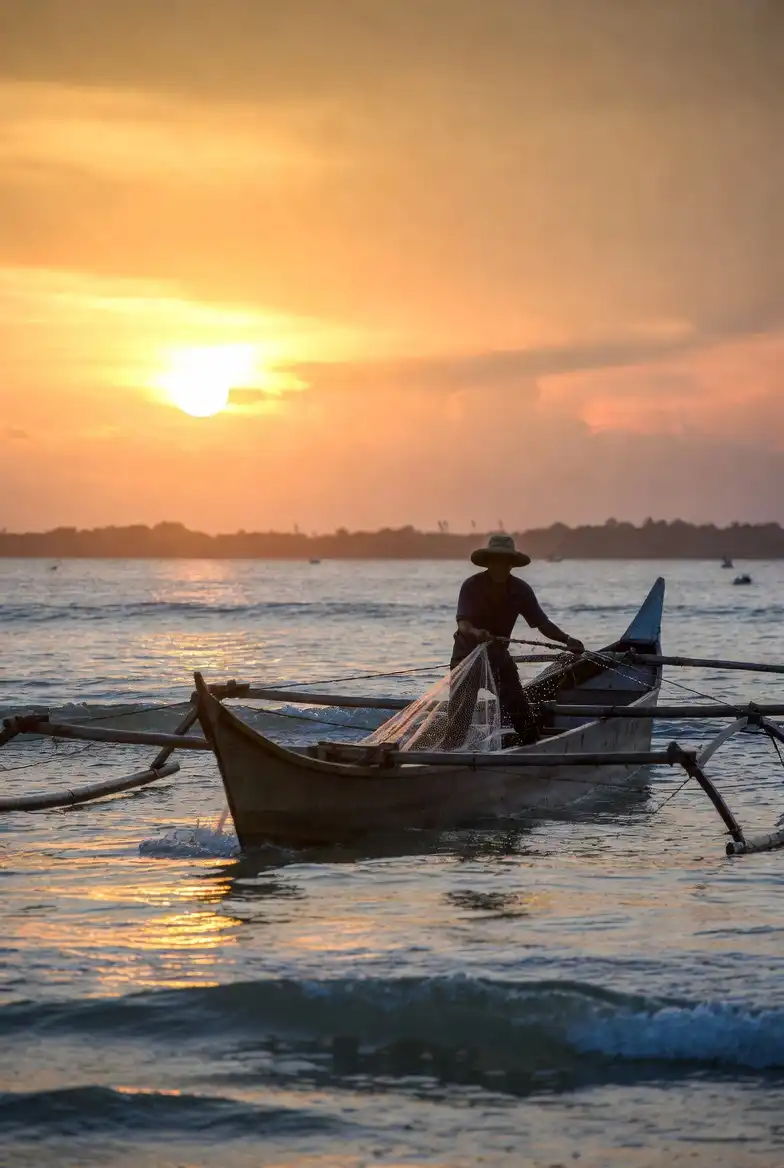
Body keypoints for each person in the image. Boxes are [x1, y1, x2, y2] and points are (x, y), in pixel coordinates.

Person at [446, 532, 584, 747]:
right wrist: (477, 633)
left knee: (519, 709)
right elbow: (463, 624)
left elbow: (542, 624)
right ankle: (449, 753)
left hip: (498, 658)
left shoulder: (521, 590)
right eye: (496, 561)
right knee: (460, 714)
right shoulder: (472, 585)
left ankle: (532, 748)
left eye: (505, 562)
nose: (501, 566)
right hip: (467, 656)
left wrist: (567, 640)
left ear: (512, 564)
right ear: (489, 562)